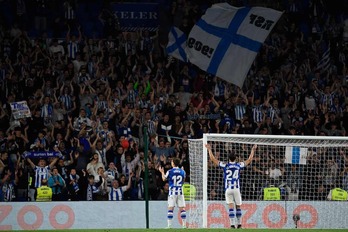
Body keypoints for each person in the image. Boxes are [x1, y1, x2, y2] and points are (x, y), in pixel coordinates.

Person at [205, 143, 257, 229]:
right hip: (236, 189)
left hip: (228, 189)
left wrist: (209, 150)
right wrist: (252, 150)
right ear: (235, 158)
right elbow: (249, 159)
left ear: (228, 158)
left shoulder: (225, 165)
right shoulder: (238, 165)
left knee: (231, 206)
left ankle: (232, 225)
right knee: (238, 206)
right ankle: (239, 224)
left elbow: (213, 159)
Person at [159, 157, 187, 229]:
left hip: (172, 192)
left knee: (170, 208)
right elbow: (183, 181)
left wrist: (162, 172)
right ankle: (184, 225)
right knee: (182, 208)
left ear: (173, 163)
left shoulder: (170, 171)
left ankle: (169, 225)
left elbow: (164, 179)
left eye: (171, 162)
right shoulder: (183, 171)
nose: (171, 163)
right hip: (180, 191)